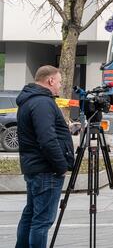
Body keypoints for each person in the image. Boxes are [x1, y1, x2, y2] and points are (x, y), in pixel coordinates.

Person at [16, 65, 74, 248]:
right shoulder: (42, 102)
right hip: (46, 170)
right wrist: (61, 166)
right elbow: (47, 139)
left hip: (35, 167)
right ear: (50, 80)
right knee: (42, 221)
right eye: (59, 82)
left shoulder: (30, 100)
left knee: (31, 214)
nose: (59, 87)